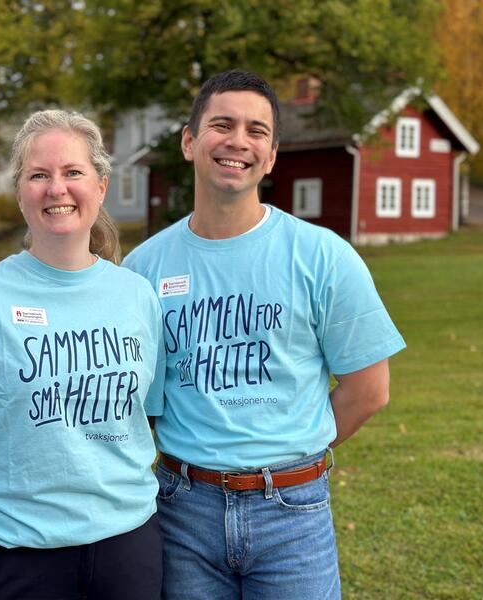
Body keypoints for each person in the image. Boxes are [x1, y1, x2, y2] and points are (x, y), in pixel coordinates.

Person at [122, 70, 407, 599]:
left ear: (272, 155)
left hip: (293, 514)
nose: (237, 141)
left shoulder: (323, 256)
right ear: (189, 141)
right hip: (184, 508)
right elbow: (142, 403)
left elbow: (370, 390)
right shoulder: (143, 268)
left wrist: (288, 456)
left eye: (256, 131)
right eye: (221, 125)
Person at [0, 109, 166, 600]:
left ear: (100, 186)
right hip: (16, 551)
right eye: (38, 175)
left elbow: (144, 420)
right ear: (19, 191)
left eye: (72, 173)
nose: (56, 188)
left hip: (128, 545)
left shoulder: (137, 295)